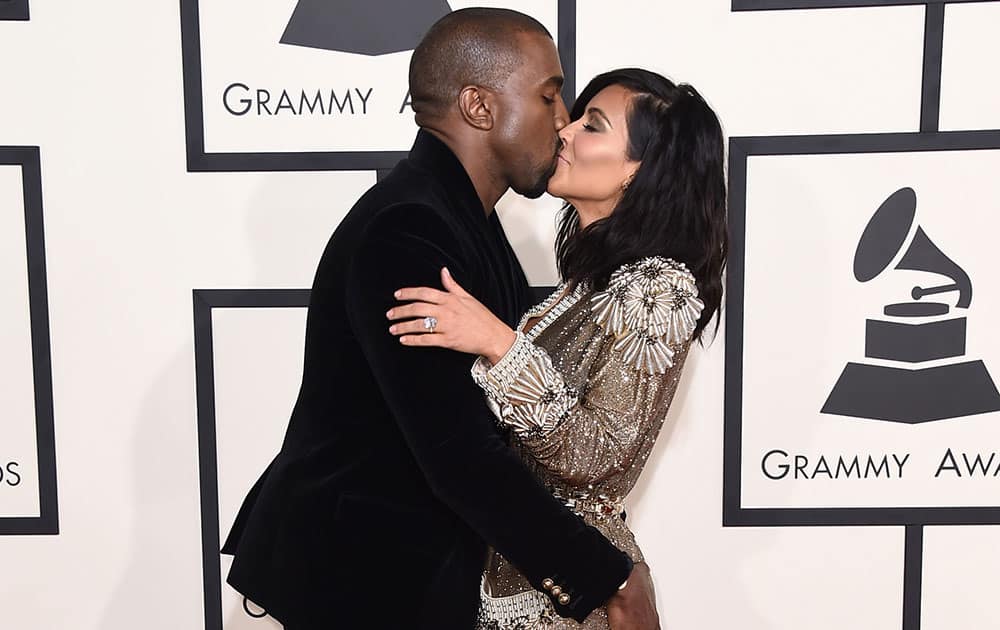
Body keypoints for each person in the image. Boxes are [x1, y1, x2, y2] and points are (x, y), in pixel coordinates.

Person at [220, 10, 659, 630]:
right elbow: (459, 455)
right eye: (547, 94)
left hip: (403, 571)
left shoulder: (464, 221)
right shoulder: (411, 231)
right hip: (359, 579)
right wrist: (606, 579)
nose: (561, 120)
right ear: (479, 107)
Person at [387, 68, 728, 629]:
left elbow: (594, 454)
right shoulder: (589, 282)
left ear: (640, 170)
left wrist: (499, 343)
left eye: (592, 126)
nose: (564, 131)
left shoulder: (656, 289)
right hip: (521, 576)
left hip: (569, 599)